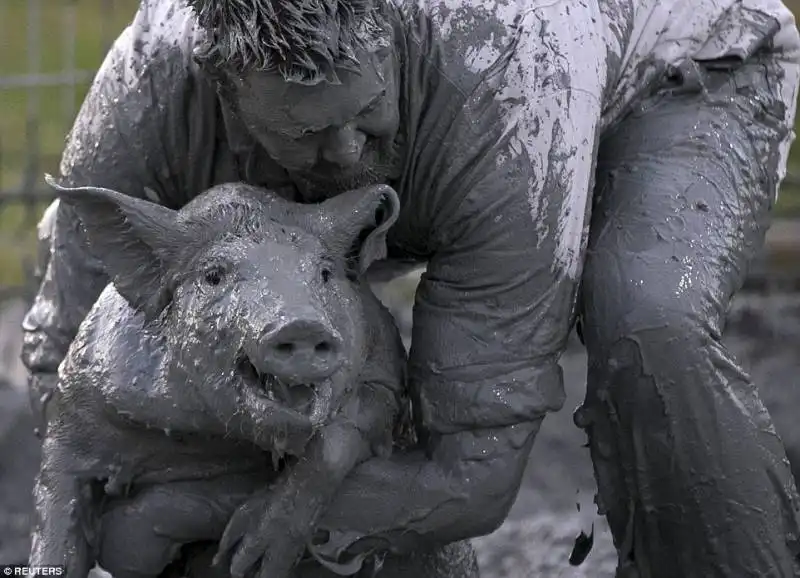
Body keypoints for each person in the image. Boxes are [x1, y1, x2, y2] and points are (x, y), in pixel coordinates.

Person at [21, 0, 800, 575]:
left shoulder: (506, 75)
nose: (355, 152)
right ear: (223, 95)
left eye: (367, 114)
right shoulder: (151, 83)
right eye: (308, 135)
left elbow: (471, 475)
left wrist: (178, 514)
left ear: (392, 31)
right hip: (485, 117)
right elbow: (64, 369)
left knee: (643, 314)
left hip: (688, 72)